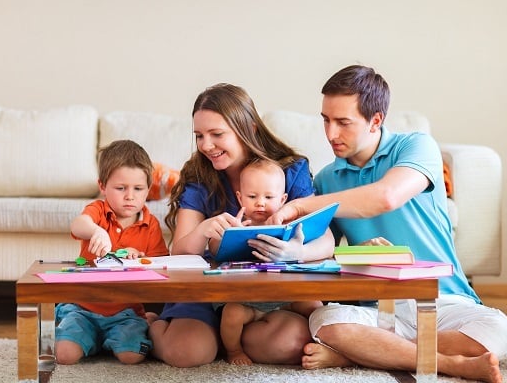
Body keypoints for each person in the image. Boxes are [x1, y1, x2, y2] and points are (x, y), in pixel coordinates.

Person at [261, 65, 507, 383]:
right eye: (326, 120)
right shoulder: (328, 179)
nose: (330, 134)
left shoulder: (417, 147)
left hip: (443, 299)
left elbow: (386, 197)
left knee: (500, 330)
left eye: (343, 123)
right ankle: (451, 364)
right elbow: (326, 248)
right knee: (324, 321)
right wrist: (307, 252)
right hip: (380, 313)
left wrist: (300, 205)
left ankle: (357, 354)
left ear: (376, 120)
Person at [149, 83, 335, 368]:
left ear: (248, 128)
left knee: (293, 344)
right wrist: (203, 229)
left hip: (267, 296)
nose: (205, 145)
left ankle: (226, 339)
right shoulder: (200, 174)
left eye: (217, 134)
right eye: (199, 136)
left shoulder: (289, 171)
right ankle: (152, 326)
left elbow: (326, 240)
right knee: (187, 352)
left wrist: (295, 252)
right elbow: (179, 251)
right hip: (209, 291)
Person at [55, 140, 169, 365]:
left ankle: (140, 324)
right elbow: (78, 225)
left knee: (131, 357)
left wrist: (142, 259)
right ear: (102, 186)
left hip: (125, 313)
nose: (130, 196)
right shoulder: (97, 211)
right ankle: (90, 337)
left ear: (149, 188)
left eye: (138, 189)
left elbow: (161, 265)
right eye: (121, 188)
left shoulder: (151, 224)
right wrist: (96, 231)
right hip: (83, 308)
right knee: (64, 355)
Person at [220, 158, 323, 365]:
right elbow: (217, 252)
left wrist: (298, 245)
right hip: (249, 304)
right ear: (240, 198)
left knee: (315, 304)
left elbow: (306, 249)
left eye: (269, 197)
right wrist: (230, 236)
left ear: (283, 199)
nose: (260, 202)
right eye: (252, 196)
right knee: (231, 314)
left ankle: (326, 342)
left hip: (285, 297)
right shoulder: (234, 226)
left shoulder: (289, 226)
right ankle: (234, 351)